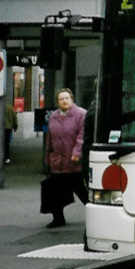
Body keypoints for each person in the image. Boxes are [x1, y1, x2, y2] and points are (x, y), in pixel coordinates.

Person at [44, 88, 88, 228]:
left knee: (80, 190)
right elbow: (49, 139)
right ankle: (58, 218)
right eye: (61, 99)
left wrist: (76, 153)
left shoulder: (81, 114)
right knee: (54, 191)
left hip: (74, 161)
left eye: (66, 98)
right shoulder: (53, 116)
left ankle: (97, 216)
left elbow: (81, 137)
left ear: (72, 99)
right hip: (57, 161)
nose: (64, 101)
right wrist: (48, 157)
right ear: (57, 102)